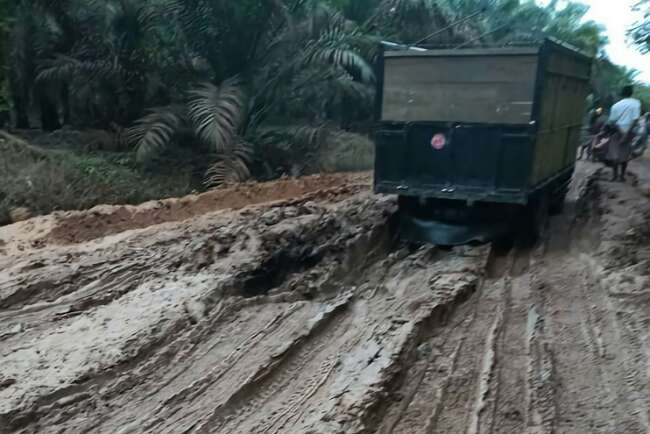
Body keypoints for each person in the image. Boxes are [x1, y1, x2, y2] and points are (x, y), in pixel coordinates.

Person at [606, 85, 641, 181]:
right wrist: (626, 134)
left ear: (622, 94)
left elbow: (612, 121)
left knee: (614, 154)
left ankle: (614, 176)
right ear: (631, 93)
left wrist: (621, 131)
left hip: (617, 132)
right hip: (630, 132)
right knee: (624, 154)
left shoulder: (615, 105)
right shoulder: (636, 103)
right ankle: (621, 176)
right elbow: (635, 120)